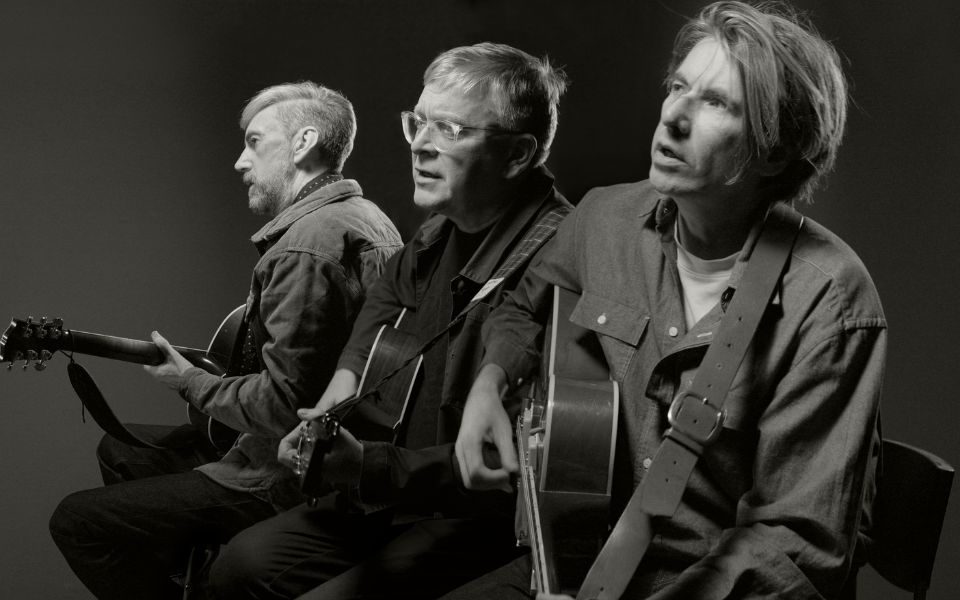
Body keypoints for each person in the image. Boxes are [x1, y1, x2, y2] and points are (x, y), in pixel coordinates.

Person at [451, 2, 885, 599]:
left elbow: (797, 548)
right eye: (678, 86)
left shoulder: (831, 300)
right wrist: (490, 384)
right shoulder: (603, 218)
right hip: (561, 568)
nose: (673, 117)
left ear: (776, 151)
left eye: (717, 103)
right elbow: (524, 307)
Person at [207, 42, 572, 600]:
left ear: (519, 154)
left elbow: (511, 461)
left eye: (448, 129)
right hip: (391, 496)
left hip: (475, 515)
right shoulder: (436, 232)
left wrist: (367, 469)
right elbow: (382, 303)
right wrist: (335, 396)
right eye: (417, 123)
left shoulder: (563, 259)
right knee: (239, 564)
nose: (420, 145)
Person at [48, 81, 403, 600]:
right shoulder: (364, 218)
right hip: (319, 451)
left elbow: (285, 406)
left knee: (78, 522)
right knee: (121, 451)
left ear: (303, 143)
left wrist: (190, 381)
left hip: (287, 475)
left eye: (255, 142)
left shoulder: (305, 250)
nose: (240, 161)